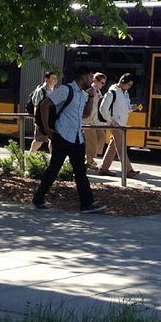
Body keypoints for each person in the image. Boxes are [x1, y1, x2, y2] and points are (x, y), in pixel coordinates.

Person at [32, 67, 107, 214]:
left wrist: (91, 97)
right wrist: (47, 129)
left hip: (77, 138)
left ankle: (87, 203)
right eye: (91, 77)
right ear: (83, 76)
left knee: (80, 171)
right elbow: (44, 105)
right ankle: (38, 198)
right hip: (63, 136)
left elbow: (85, 115)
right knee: (54, 169)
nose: (92, 80)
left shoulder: (81, 94)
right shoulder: (66, 90)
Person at [98, 73, 139, 177]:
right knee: (121, 147)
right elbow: (103, 108)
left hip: (120, 123)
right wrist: (110, 121)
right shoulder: (112, 92)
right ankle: (128, 170)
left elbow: (125, 107)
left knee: (113, 146)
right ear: (122, 82)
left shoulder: (124, 92)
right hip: (115, 124)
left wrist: (132, 107)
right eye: (129, 85)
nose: (129, 87)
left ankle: (104, 168)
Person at [27, 70, 57, 154]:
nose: (55, 80)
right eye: (53, 78)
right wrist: (37, 121)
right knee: (39, 140)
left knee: (53, 140)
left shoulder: (54, 90)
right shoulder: (40, 90)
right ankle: (30, 155)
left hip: (51, 120)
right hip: (42, 120)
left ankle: (53, 159)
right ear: (46, 79)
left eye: (56, 78)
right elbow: (36, 106)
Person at [84, 72, 107, 169]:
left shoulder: (98, 91)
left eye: (104, 83)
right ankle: (89, 161)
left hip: (96, 120)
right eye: (102, 82)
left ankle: (89, 157)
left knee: (102, 137)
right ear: (95, 81)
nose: (103, 85)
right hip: (88, 120)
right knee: (92, 141)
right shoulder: (89, 90)